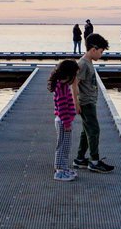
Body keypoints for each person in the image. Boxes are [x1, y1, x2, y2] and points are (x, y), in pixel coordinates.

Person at [72, 34, 115, 173]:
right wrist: (76, 103)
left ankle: (79, 158)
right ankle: (94, 161)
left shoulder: (88, 62)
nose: (101, 55)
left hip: (89, 101)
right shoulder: (83, 64)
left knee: (87, 131)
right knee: (94, 130)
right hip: (86, 103)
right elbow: (74, 83)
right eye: (101, 51)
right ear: (93, 49)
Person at [49, 59, 81, 181]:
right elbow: (62, 108)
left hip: (64, 121)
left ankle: (63, 167)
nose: (75, 78)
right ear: (68, 75)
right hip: (63, 122)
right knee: (62, 146)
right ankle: (59, 171)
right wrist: (67, 123)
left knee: (65, 146)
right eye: (75, 75)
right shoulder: (61, 88)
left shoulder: (62, 86)